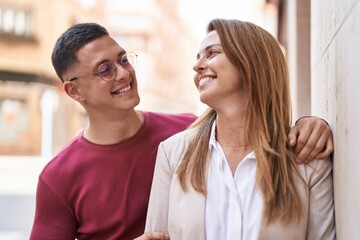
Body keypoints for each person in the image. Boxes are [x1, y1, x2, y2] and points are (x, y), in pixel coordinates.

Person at [30, 22, 333, 240]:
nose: (124, 73)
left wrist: (309, 123)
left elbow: (250, 121)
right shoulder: (59, 177)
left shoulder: (182, 131)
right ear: (74, 91)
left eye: (124, 60)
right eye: (105, 69)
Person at [141, 19, 335, 239]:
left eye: (212, 53)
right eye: (198, 57)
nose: (197, 66)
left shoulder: (308, 160)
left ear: (251, 62)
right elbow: (155, 236)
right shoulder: (172, 153)